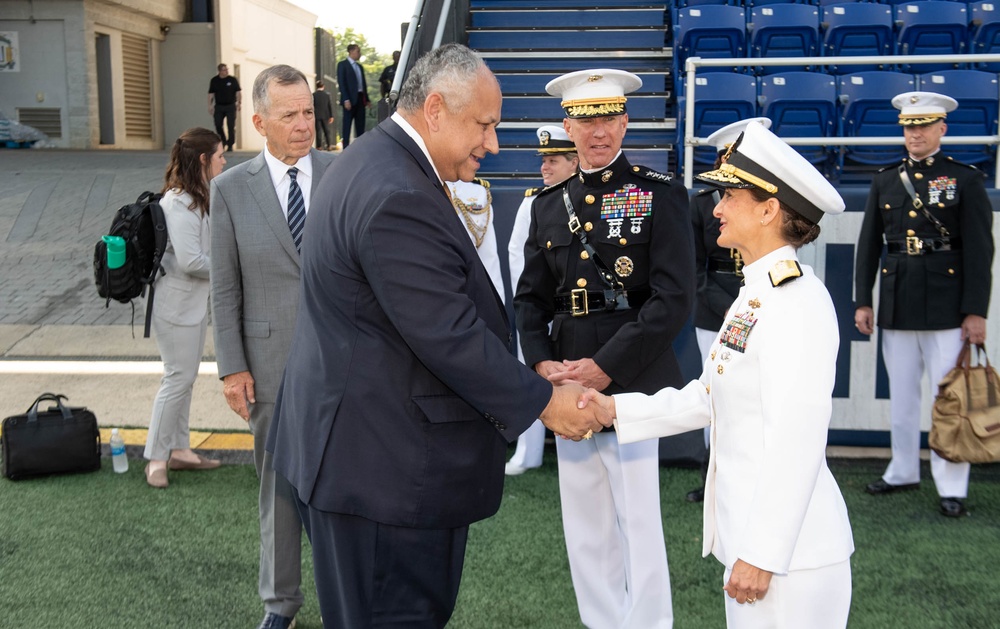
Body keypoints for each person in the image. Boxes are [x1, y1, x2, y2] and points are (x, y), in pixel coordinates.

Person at [267, 43, 609, 628]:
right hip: (384, 478)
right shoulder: (398, 193)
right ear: (434, 110)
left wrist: (528, 375)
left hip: (361, 459)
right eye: (484, 125)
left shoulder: (369, 161)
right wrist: (545, 402)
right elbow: (446, 333)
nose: (493, 144)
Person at [582, 120, 856, 629]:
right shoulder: (756, 294)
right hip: (756, 545)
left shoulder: (795, 302)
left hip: (789, 559)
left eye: (730, 195)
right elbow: (710, 395)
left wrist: (763, 553)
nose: (716, 208)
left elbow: (797, 439)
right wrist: (612, 409)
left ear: (770, 209)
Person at [514, 69, 694, 628]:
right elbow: (529, 300)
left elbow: (673, 299)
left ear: (625, 122)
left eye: (609, 119)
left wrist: (605, 367)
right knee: (585, 520)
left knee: (638, 518)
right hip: (566, 380)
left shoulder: (659, 195)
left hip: (630, 375)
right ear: (568, 125)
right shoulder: (547, 205)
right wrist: (543, 364)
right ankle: (602, 622)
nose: (598, 133)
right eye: (586, 120)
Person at [210, 64, 335, 629]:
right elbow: (224, 285)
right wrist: (232, 368)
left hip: (344, 366)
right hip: (268, 366)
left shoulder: (345, 173)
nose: (304, 124)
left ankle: (346, 596)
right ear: (259, 121)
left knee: (342, 488)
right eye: (289, 115)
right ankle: (279, 604)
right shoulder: (229, 189)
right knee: (279, 489)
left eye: (308, 111)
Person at [855, 91, 994, 518]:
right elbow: (868, 247)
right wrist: (864, 301)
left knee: (949, 397)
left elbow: (979, 251)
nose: (915, 133)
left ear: (941, 129)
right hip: (897, 301)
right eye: (909, 127)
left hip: (947, 307)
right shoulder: (884, 179)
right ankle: (901, 470)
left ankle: (952, 485)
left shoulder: (965, 179)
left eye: (923, 126)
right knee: (901, 395)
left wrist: (975, 311)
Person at [686, 117, 772, 503]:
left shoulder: (770, 201)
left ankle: (757, 475)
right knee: (715, 392)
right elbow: (695, 267)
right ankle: (714, 477)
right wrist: (726, 308)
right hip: (715, 306)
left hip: (761, 300)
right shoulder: (702, 202)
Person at [143, 127, 225, 489]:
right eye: (221, 155)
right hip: (175, 306)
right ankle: (156, 459)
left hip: (189, 304)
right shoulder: (178, 202)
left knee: (184, 379)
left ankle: (179, 450)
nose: (226, 161)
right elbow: (192, 261)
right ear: (204, 160)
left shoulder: (200, 195)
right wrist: (233, 268)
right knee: (177, 379)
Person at [505, 124, 579, 476]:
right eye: (543, 161)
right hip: (538, 310)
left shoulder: (584, 200)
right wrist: (536, 308)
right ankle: (528, 450)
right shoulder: (532, 202)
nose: (544, 167)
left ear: (574, 162)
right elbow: (518, 256)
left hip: (576, 313)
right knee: (532, 376)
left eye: (552, 160)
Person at [447, 177, 505, 300]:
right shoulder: (424, 185)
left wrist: (497, 300)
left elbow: (488, 256)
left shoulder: (479, 191)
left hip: (471, 285)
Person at [337, 43, 370, 148]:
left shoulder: (360, 67)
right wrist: (346, 99)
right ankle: (345, 147)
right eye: (358, 51)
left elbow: (363, 84)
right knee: (347, 125)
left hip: (360, 99)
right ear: (351, 52)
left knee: (360, 125)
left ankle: (360, 148)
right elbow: (342, 83)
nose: (359, 54)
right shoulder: (343, 65)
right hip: (349, 100)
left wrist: (367, 99)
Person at [208, 63, 241, 152]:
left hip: (230, 106)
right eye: (224, 70)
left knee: (231, 125)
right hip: (219, 106)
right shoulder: (214, 81)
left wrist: (239, 103)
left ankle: (230, 144)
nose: (226, 71)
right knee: (218, 124)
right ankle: (223, 141)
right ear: (220, 71)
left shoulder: (232, 80)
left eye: (227, 69)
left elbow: (238, 92)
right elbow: (211, 94)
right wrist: (210, 106)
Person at [312, 80, 334, 150]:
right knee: (326, 131)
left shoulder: (314, 95)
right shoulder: (326, 95)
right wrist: (331, 116)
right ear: (323, 86)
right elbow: (329, 106)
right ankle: (329, 145)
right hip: (325, 115)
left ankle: (319, 146)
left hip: (317, 115)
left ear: (316, 86)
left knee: (318, 131)